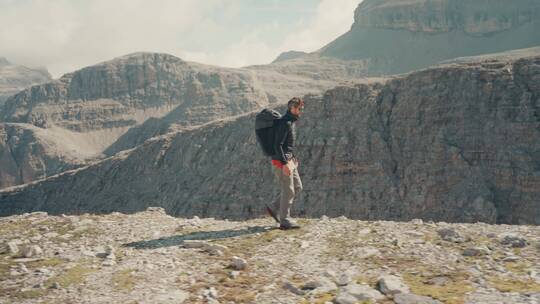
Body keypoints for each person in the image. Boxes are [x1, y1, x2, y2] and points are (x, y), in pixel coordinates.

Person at [271, 97, 304, 229]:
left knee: (297, 187)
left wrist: (293, 158)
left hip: (289, 160)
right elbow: (277, 145)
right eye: (298, 108)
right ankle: (284, 220)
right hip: (281, 161)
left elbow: (287, 145)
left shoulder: (291, 122)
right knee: (289, 190)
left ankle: (274, 208)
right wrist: (284, 163)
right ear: (292, 108)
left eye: (301, 109)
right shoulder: (285, 123)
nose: (300, 111)